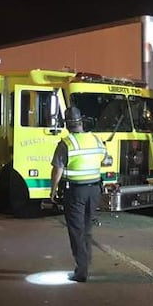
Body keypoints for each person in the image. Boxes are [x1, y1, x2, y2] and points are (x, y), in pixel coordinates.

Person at [50, 106, 107, 283]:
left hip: (76, 192)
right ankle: (86, 261)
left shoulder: (66, 143)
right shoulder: (96, 139)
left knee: (76, 230)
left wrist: (53, 190)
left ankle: (81, 271)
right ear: (82, 122)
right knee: (87, 228)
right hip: (94, 190)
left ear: (67, 124)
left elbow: (57, 169)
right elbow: (104, 159)